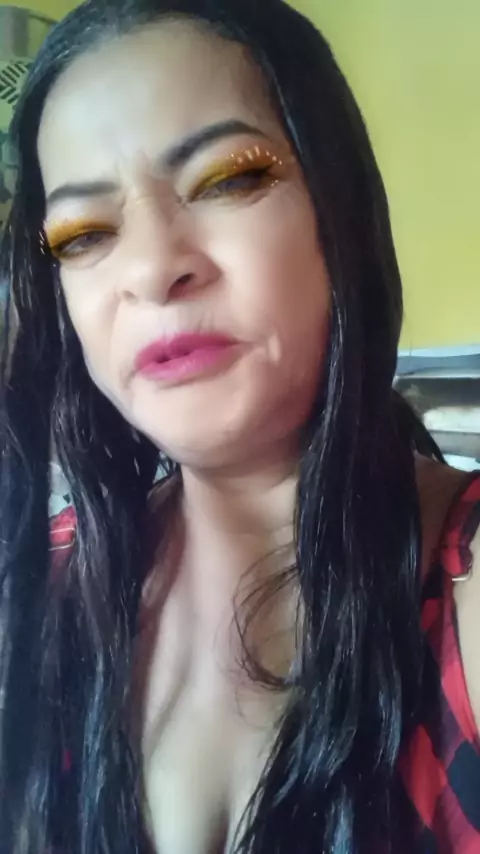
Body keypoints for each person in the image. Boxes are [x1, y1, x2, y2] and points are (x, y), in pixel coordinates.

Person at [0, 1, 478, 852]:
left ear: (339, 207)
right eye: (83, 233)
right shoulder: (44, 592)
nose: (153, 269)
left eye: (229, 179)